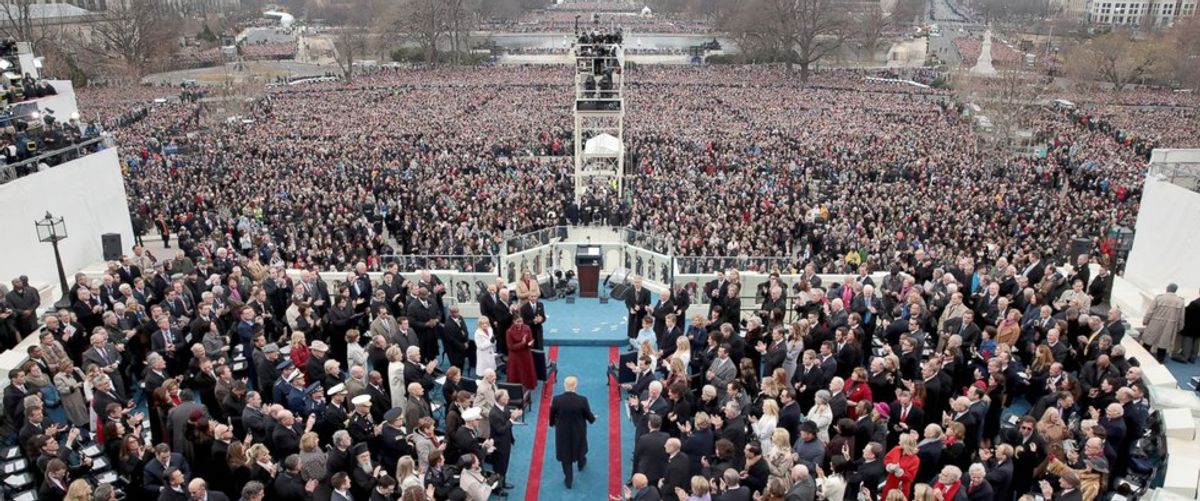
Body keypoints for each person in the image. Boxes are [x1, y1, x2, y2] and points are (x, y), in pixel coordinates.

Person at [550, 375, 596, 489]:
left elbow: (551, 416)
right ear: (575, 386)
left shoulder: (557, 400)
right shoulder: (582, 400)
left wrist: (552, 424)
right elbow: (589, 417)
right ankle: (581, 464)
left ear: (564, 385)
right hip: (578, 430)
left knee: (565, 455)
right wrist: (593, 418)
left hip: (562, 432)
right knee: (580, 447)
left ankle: (568, 480)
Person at [1142, 283, 1185, 362]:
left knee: (1148, 341)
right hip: (1170, 326)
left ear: (1167, 288)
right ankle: (1160, 360)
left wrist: (1145, 321)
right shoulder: (1180, 301)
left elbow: (1150, 311)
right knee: (1163, 344)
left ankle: (1143, 358)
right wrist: (1180, 327)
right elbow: (1181, 318)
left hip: (1155, 323)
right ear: (1175, 290)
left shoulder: (1159, 298)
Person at [506, 316, 537, 389]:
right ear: (514, 321)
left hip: (526, 353)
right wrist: (522, 343)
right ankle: (515, 388)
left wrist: (530, 344)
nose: (520, 323)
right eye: (518, 322)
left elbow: (530, 340)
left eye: (521, 321)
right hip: (515, 356)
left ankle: (528, 385)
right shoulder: (509, 331)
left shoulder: (527, 328)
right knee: (516, 372)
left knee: (526, 370)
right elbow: (510, 347)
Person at [1178, 291, 1200, 364]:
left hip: (1191, 326)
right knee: (1196, 341)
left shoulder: (1194, 303)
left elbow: (1187, 313)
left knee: (1188, 341)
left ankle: (1185, 356)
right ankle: (1193, 357)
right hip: (1198, 328)